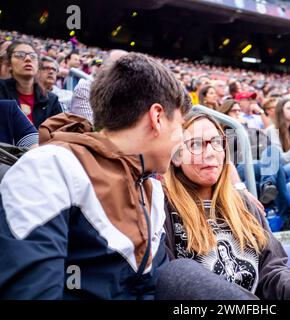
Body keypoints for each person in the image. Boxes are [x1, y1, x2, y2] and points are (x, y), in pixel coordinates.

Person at [0, 53, 233, 300]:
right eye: (179, 127)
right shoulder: (49, 167)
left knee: (182, 274)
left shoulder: (151, 189)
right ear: (157, 117)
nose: (180, 140)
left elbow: (149, 289)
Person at [163, 112, 290, 300]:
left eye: (217, 142)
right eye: (196, 144)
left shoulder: (244, 204)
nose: (210, 153)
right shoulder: (162, 206)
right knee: (180, 271)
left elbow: (272, 271)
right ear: (176, 157)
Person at [0, 40, 62, 128]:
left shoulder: (51, 100)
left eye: (33, 56)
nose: (28, 59)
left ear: (38, 65)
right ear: (9, 64)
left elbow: (59, 133)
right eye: (20, 55)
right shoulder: (1, 91)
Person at [69, 49, 128, 124]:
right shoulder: (86, 88)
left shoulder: (131, 93)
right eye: (120, 68)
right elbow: (90, 127)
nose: (126, 74)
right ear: (103, 68)